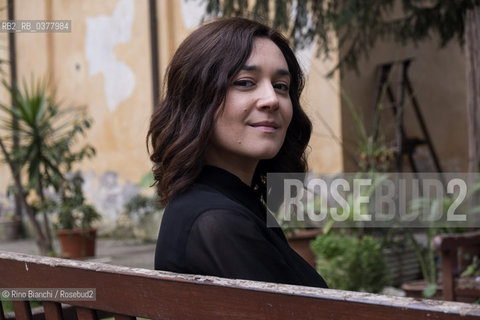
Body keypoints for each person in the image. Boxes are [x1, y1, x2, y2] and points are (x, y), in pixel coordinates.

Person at [147, 17, 327, 288]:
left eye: (281, 86)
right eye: (245, 82)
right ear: (197, 98)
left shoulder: (226, 204)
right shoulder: (216, 222)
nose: (271, 100)